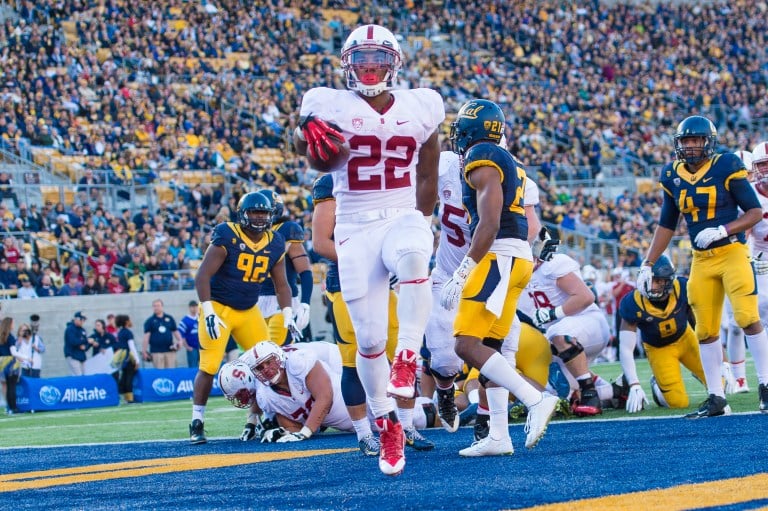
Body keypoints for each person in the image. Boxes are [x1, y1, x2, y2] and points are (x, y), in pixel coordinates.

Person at [294, 23, 444, 476]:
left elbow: (428, 173)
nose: (371, 67)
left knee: (417, 261)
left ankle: (409, 357)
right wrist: (305, 135)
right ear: (347, 65)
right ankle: (386, 422)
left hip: (401, 213)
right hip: (355, 224)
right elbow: (303, 148)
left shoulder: (423, 104)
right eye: (362, 60)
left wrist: (422, 219)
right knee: (370, 340)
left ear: (394, 64)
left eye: (378, 59)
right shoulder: (327, 103)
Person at [439, 99, 559, 457]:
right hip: (514, 257)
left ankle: (535, 400)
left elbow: (489, 223)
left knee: (465, 344)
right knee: (489, 349)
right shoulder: (507, 160)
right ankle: (498, 436)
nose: (457, 139)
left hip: (498, 256)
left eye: (460, 131)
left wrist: (464, 270)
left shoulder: (483, 157)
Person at [637, 115, 768, 416]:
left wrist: (725, 230)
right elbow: (667, 223)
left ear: (708, 142)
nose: (691, 146)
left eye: (696, 140)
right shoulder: (672, 173)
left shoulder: (726, 165)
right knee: (705, 329)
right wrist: (648, 262)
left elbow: (754, 212)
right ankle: (717, 397)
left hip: (732, 252)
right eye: (686, 141)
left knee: (747, 317)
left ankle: (766, 386)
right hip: (701, 260)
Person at [311, 173, 433, 456]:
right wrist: (367, 261)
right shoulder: (333, 180)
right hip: (348, 281)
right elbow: (320, 242)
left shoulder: (385, 171)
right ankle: (365, 434)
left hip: (383, 280)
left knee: (401, 355)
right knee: (355, 358)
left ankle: (406, 426)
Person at [190, 191, 299, 444]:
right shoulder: (228, 235)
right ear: (243, 214)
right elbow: (202, 275)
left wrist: (288, 312)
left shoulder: (275, 241)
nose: (260, 218)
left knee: (269, 365)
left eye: (264, 213)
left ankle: (266, 417)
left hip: (250, 310)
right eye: (254, 213)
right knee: (208, 366)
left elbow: (282, 284)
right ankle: (197, 421)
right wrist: (207, 310)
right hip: (219, 308)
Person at [617, 255, 706, 411]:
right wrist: (634, 385)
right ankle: (657, 386)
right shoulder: (633, 303)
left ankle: (700, 373)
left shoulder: (682, 288)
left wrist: (723, 362)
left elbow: (701, 326)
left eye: (661, 281)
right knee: (678, 403)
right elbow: (625, 348)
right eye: (654, 280)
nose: (657, 285)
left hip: (686, 339)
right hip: (659, 349)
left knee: (721, 383)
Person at [219, 341, 353, 442]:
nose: (242, 399)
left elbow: (325, 396)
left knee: (352, 388)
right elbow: (258, 392)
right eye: (237, 397)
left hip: (330, 355)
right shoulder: (260, 386)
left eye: (241, 394)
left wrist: (306, 431)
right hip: (302, 378)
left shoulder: (295, 362)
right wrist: (253, 423)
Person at [256, 189, 313, 345]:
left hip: (282, 302)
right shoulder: (250, 234)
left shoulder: (287, 229)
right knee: (257, 357)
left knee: (275, 354)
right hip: (254, 300)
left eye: (260, 211)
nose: (257, 216)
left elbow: (305, 271)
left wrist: (305, 303)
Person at [141, 299, 183, 369]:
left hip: (170, 350)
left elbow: (175, 331)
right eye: (154, 306)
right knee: (160, 373)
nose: (156, 308)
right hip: (156, 352)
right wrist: (144, 351)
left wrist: (180, 340)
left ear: (162, 306)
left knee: (171, 371)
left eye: (158, 306)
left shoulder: (169, 318)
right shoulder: (149, 321)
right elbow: (146, 337)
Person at [112, 314, 139, 403]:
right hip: (128, 356)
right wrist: (136, 359)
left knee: (124, 375)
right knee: (129, 377)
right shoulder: (128, 332)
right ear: (126, 322)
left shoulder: (120, 333)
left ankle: (124, 396)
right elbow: (132, 347)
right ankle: (130, 397)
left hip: (122, 356)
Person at [0, 317, 20, 414]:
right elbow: (13, 352)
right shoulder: (10, 337)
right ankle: (14, 408)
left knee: (6, 386)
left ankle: (9, 407)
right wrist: (26, 358)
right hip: (11, 363)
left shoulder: (1, 337)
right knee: (12, 386)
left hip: (2, 363)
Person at [63, 311, 89, 376]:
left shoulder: (82, 330)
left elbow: (85, 342)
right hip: (73, 355)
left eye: (83, 320)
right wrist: (84, 340)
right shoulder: (70, 329)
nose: (83, 322)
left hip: (81, 355)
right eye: (81, 320)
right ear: (77, 319)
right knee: (78, 375)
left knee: (84, 375)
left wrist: (85, 346)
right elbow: (73, 341)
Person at [178, 301, 201, 369]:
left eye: (195, 306)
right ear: (189, 308)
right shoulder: (185, 320)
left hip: (202, 347)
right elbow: (181, 334)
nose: (194, 308)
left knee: (204, 367)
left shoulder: (200, 318)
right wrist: (187, 346)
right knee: (193, 366)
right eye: (192, 307)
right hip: (192, 348)